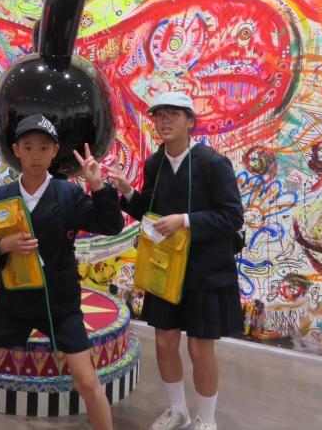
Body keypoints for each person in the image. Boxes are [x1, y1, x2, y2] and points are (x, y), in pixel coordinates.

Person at [0, 114, 125, 430]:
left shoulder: (68, 195)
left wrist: (98, 185)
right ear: (16, 150)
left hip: (60, 304)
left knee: (87, 380)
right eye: (28, 147)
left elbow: (110, 225)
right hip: (11, 302)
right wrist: (5, 245)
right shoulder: (1, 196)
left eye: (44, 147)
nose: (36, 155)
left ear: (55, 151)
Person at [107, 92, 244, 430]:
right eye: (159, 115)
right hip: (165, 269)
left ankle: (206, 419)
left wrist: (185, 221)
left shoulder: (213, 163)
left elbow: (232, 217)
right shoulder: (155, 164)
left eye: (173, 114)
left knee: (199, 347)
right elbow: (151, 212)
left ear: (191, 121)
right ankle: (177, 410)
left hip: (205, 271)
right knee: (165, 341)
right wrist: (127, 191)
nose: (164, 121)